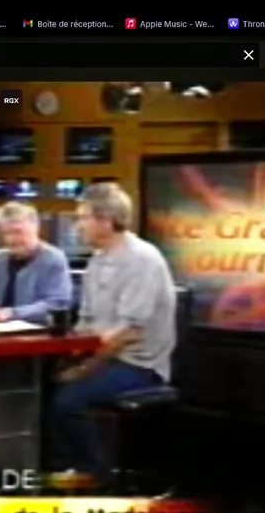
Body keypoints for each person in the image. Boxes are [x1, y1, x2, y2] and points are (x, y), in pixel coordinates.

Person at [52, 183, 177, 475]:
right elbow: (86, 322)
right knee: (45, 384)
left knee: (69, 399)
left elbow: (128, 332)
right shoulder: (98, 260)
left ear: (106, 221)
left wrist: (83, 369)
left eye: (83, 218)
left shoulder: (142, 260)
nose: (77, 225)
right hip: (105, 356)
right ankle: (60, 467)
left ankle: (94, 475)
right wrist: (64, 354)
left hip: (139, 365)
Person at [0, 201, 72, 325]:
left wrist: (8, 314)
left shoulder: (53, 259)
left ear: (36, 228)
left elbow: (57, 304)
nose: (11, 239)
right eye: (6, 233)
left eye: (17, 232)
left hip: (36, 332)